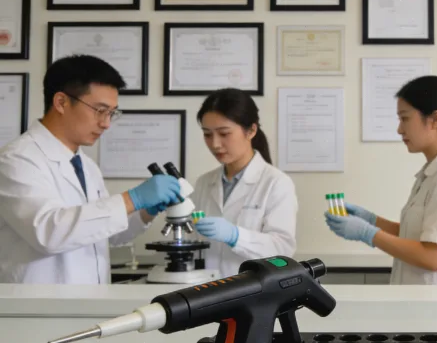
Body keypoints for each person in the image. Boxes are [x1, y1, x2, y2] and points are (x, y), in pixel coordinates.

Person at [0, 55, 181, 284]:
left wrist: (145, 211)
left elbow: (107, 233)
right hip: (40, 301)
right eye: (99, 110)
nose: (106, 123)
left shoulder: (86, 165)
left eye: (112, 113)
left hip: (91, 298)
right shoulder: (17, 159)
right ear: (61, 102)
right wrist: (132, 199)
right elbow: (48, 232)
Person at [324, 75, 437, 285]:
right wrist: (372, 220)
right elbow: (418, 236)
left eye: (405, 118)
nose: (399, 129)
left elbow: (434, 257)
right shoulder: (435, 172)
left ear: (435, 119)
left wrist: (368, 234)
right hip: (419, 299)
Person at [191, 88, 297, 278]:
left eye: (224, 133)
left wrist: (236, 236)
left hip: (252, 290)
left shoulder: (276, 183)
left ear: (251, 131)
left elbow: (282, 250)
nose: (215, 144)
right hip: (206, 289)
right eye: (207, 134)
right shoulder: (204, 183)